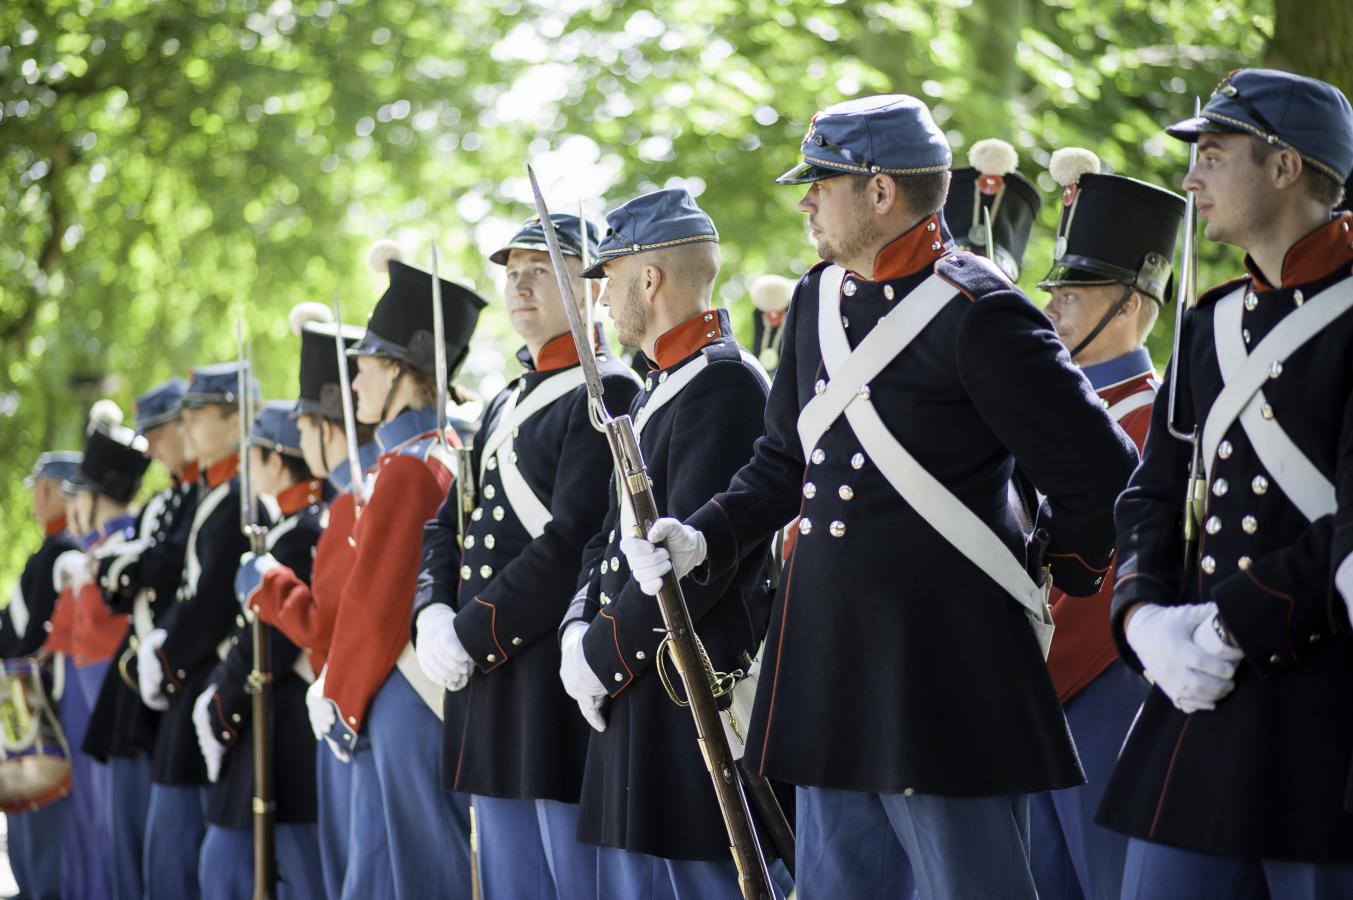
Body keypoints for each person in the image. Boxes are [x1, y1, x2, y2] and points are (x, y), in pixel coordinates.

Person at [620, 95, 1138, 898]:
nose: (805, 203)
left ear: (880, 190)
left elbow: (1099, 470)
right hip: (826, 660)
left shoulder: (979, 310)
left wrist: (1056, 567)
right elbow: (779, 462)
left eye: (820, 184)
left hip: (945, 667)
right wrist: (703, 537)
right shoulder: (816, 299)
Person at [1099, 67, 1353, 900]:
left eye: (1211, 155)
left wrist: (1232, 621)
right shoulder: (1210, 323)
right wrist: (1142, 619)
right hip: (1200, 703)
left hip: (1322, 711)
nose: (1189, 179)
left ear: (1284, 166)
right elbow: (1153, 493)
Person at [413, 214, 641, 898]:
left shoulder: (607, 390)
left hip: (546, 677)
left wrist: (470, 631)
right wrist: (430, 612)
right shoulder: (502, 401)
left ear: (591, 287)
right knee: (507, 879)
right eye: (513, 273)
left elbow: (571, 541)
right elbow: (448, 525)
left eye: (540, 270)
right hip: (489, 680)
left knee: (569, 879)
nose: (519, 286)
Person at [556, 188, 775, 898]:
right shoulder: (661, 388)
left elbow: (691, 570)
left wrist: (599, 659)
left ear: (648, 279)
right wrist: (576, 633)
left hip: (685, 701)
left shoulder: (724, 384)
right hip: (637, 692)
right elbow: (607, 539)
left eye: (610, 277)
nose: (601, 297)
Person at [283, 245, 485, 899]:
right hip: (405, 684)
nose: (354, 382)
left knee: (415, 873)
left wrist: (339, 696)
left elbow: (375, 604)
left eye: (366, 367)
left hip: (403, 692)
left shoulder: (407, 467)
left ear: (400, 371)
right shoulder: (427, 453)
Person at [1024, 147, 1185, 900]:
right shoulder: (1042, 413)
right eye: (1054, 292)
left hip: (1104, 680)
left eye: (1074, 294)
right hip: (1034, 687)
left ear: (1128, 305)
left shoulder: (1161, 420)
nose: (1051, 310)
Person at [243, 303, 379, 899]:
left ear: (328, 428)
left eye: (304, 428)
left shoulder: (354, 501)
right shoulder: (349, 499)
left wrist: (267, 584)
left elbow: (324, 626)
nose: (300, 442)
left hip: (361, 708)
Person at [195, 401, 326, 899]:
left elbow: (271, 640)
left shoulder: (301, 534)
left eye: (253, 456)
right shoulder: (288, 531)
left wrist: (221, 703)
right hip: (267, 722)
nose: (245, 468)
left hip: (283, 728)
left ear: (276, 460)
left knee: (292, 876)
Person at [135, 363, 257, 900]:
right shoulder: (214, 492)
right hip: (191, 681)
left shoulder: (238, 498)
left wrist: (165, 656)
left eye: (197, 413)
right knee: (170, 853)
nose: (184, 425)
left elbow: (210, 604)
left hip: (209, 680)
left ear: (235, 420)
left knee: (186, 856)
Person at [89, 378, 198, 900]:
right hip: (143, 675)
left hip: (180, 674)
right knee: (134, 836)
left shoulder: (205, 497)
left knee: (171, 850)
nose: (151, 448)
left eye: (157, 433)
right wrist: (123, 568)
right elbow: (121, 586)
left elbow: (163, 567)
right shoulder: (163, 503)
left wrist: (123, 566)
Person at [47, 399, 155, 900]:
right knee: (94, 820)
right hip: (86, 688)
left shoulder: (127, 544)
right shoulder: (93, 550)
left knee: (116, 823)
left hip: (116, 688)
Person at [5, 451, 82, 900]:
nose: (37, 498)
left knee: (42, 804)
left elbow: (33, 637)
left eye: (41, 489)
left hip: (42, 701)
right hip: (24, 698)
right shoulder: (49, 548)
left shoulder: (63, 550)